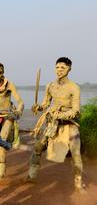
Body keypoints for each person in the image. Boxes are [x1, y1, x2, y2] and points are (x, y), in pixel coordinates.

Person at [26, 57, 85, 192]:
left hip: (69, 124)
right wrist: (38, 107)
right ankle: (31, 176)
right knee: (37, 147)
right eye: (57, 67)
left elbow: (76, 110)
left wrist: (61, 115)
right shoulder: (50, 86)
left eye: (63, 68)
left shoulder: (74, 87)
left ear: (69, 68)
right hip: (53, 123)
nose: (59, 70)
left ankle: (78, 184)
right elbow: (46, 104)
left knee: (76, 153)